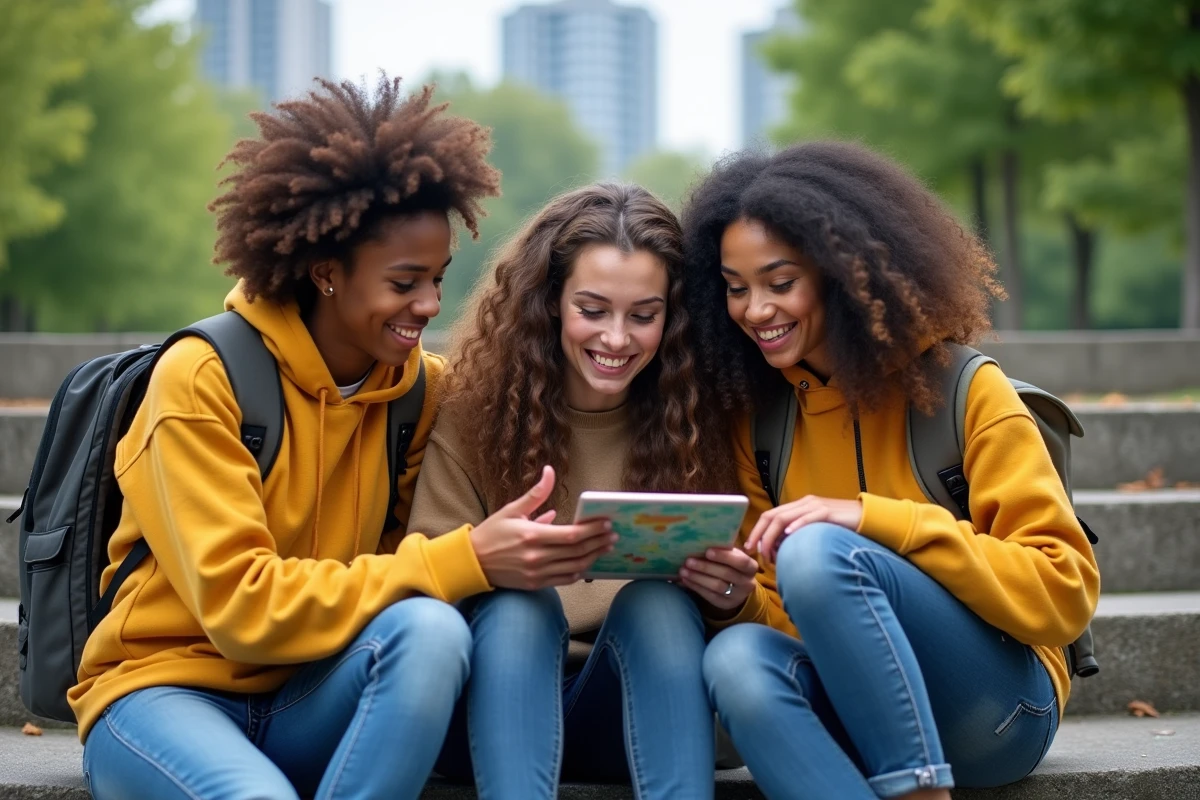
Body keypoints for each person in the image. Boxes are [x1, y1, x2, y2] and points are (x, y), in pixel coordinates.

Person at [70, 76, 614, 800]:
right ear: (326, 274)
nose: (429, 305)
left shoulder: (420, 391)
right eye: (404, 282)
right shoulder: (202, 379)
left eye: (439, 278)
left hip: (316, 694)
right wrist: (465, 558)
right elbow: (244, 611)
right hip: (165, 693)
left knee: (432, 634)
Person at [679, 141, 1101, 800]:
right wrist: (736, 603)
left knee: (820, 551)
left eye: (780, 282)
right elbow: (789, 626)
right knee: (735, 660)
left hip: (999, 710)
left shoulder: (968, 390)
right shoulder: (759, 422)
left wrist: (875, 523)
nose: (755, 309)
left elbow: (1064, 591)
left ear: (844, 272)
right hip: (857, 707)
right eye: (736, 289)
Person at [409, 183, 755, 799]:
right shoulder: (472, 413)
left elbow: (741, 632)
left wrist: (727, 598)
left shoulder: (701, 420)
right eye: (592, 311)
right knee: (522, 606)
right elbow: (422, 592)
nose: (617, 339)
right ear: (548, 304)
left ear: (672, 319)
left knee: (661, 605)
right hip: (488, 708)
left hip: (628, 710)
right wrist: (493, 563)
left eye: (643, 316)